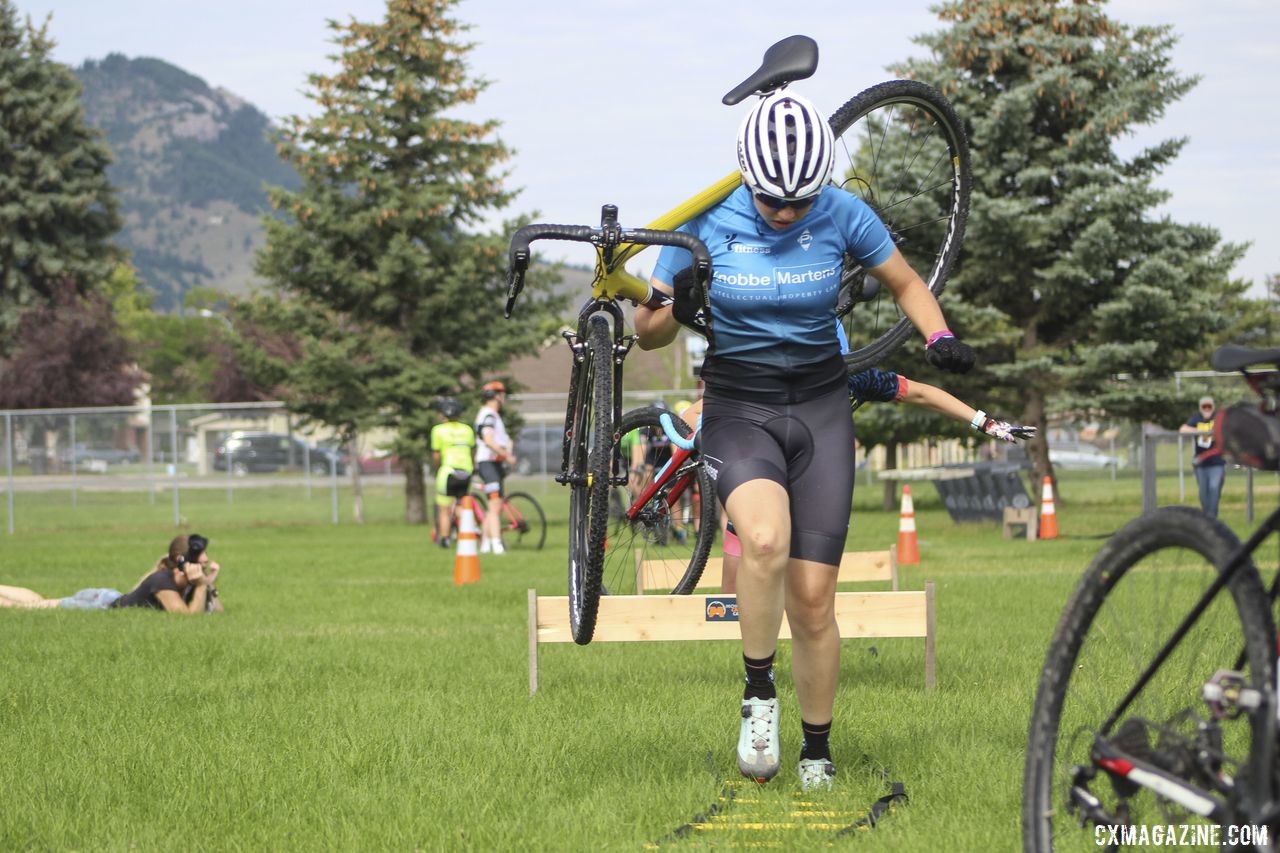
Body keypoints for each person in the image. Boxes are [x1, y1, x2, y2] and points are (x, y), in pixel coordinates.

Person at [634, 90, 975, 791]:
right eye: (772, 203)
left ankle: (817, 749)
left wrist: (938, 335)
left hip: (820, 406)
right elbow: (648, 330)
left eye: (798, 203)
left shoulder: (842, 212)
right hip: (741, 403)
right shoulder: (703, 220)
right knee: (761, 540)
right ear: (747, 177)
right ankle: (759, 694)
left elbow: (906, 280)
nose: (786, 214)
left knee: (815, 599)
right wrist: (682, 304)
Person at [712, 367, 1035, 592]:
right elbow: (704, 409)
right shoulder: (761, 368)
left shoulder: (853, 378)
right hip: (761, 478)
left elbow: (920, 393)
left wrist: (985, 422)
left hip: (812, 480)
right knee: (730, 600)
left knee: (807, 593)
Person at [0, 533, 222, 614]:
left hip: (108, 597)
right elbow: (186, 618)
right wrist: (201, 586)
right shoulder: (162, 581)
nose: (205, 560)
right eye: (200, 557)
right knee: (24, 609)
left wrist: (209, 585)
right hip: (99, 605)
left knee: (39, 601)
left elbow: (217, 615)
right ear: (181, 561)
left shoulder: (187, 583)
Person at [474, 380, 517, 555]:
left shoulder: (492, 415)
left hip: (493, 463)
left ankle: (485, 543)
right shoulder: (489, 415)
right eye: (502, 394)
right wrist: (506, 455)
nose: (503, 398)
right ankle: (496, 543)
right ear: (496, 396)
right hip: (488, 463)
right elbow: (488, 440)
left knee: (494, 505)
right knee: (494, 505)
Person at [431, 397, 477, 548]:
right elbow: (472, 451)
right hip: (466, 471)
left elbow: (436, 455)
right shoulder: (467, 430)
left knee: (444, 508)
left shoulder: (438, 430)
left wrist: (437, 468)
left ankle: (444, 539)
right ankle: (468, 534)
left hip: (448, 471)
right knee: (460, 505)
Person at [1179, 395, 1226, 517]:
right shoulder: (1196, 419)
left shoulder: (1218, 418)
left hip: (1217, 462)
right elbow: (1183, 429)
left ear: (1213, 407)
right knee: (1203, 493)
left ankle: (1212, 517)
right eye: (1204, 406)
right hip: (1201, 462)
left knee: (1214, 489)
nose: (1206, 409)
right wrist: (1199, 432)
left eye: (1209, 406)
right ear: (1200, 408)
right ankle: (1207, 517)